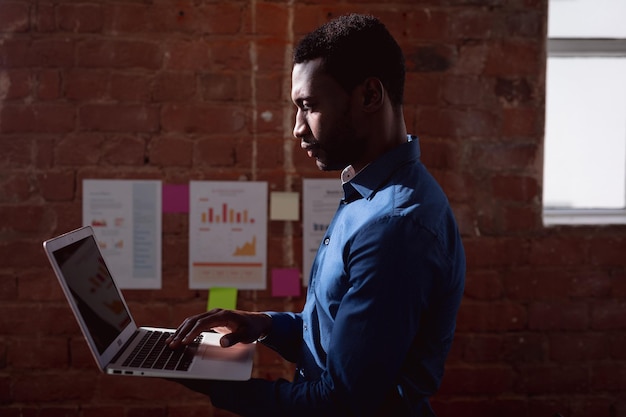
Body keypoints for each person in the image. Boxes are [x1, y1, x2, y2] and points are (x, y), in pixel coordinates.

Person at [166, 13, 465, 417]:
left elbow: (339, 402)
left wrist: (214, 384)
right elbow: (337, 340)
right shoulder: (366, 198)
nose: (297, 129)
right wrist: (265, 325)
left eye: (309, 106)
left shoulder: (393, 226)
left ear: (370, 96)